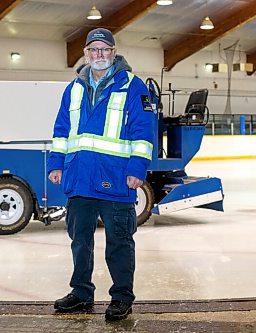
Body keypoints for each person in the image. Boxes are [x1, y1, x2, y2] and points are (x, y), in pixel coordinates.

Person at [46, 27, 155, 321]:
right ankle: (81, 292)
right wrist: (56, 163)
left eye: (105, 50)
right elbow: (61, 130)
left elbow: (144, 132)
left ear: (114, 52)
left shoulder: (133, 87)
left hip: (117, 180)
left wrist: (137, 169)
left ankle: (121, 297)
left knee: (119, 242)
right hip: (80, 179)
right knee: (80, 240)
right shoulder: (74, 88)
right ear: (85, 54)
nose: (100, 55)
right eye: (94, 50)